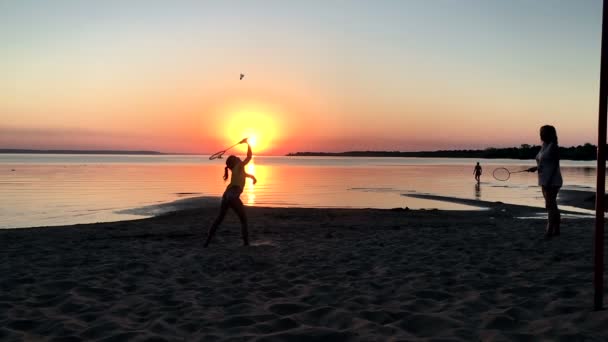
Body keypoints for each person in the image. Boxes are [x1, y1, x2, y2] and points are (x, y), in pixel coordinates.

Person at [204, 138, 257, 247]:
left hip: (226, 195)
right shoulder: (239, 166)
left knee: (219, 219)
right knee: (243, 220)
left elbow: (243, 174)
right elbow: (249, 156)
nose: (238, 158)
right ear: (235, 163)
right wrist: (248, 144)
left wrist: (252, 177)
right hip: (233, 196)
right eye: (237, 158)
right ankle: (246, 244)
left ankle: (207, 242)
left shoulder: (236, 169)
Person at [527, 125, 563, 239]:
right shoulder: (544, 146)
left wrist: (548, 181)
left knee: (550, 205)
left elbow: (555, 166)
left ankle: (549, 230)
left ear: (549, 134)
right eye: (540, 132)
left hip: (552, 181)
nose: (541, 134)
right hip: (543, 179)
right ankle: (557, 230)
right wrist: (535, 168)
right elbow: (544, 163)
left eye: (543, 132)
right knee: (553, 205)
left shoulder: (553, 147)